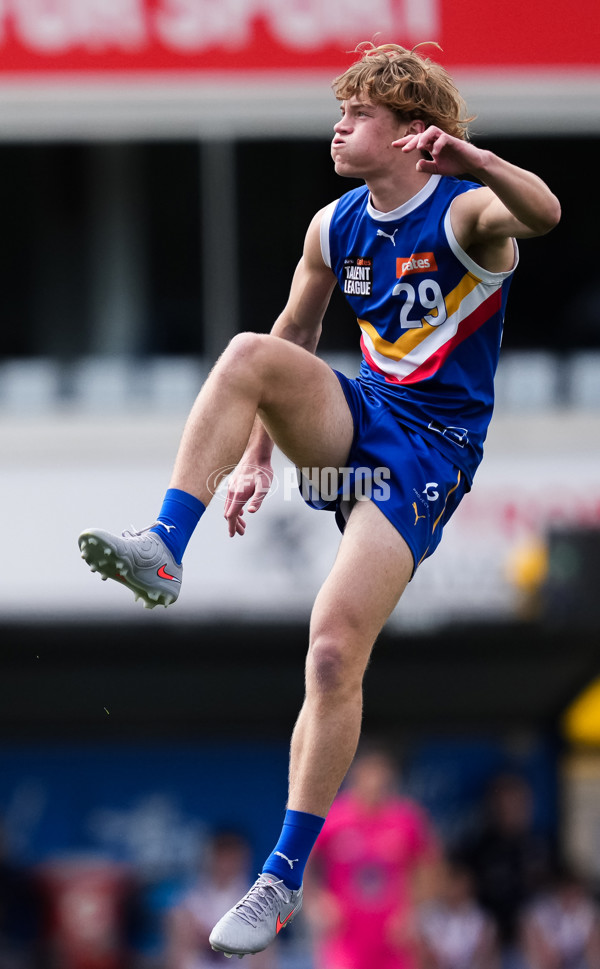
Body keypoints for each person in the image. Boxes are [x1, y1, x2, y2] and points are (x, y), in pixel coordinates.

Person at [78, 41, 561, 959]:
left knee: (335, 650)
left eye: (359, 115)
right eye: (339, 111)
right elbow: (294, 335)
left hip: (430, 455)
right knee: (247, 353)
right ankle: (164, 544)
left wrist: (471, 156)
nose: (338, 126)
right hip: (360, 413)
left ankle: (282, 875)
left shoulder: (467, 214)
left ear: (412, 133)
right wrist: (258, 456)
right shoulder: (333, 226)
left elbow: (546, 211)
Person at [304, 743, 440, 969]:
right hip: (345, 936)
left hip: (395, 938)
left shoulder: (407, 818)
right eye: (369, 774)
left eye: (381, 775)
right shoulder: (334, 817)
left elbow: (430, 868)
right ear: (356, 776)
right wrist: (316, 902)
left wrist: (415, 912)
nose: (375, 782)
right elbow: (300, 859)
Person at [456, 773, 554, 957]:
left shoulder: (541, 848)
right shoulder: (477, 850)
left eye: (516, 804)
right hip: (484, 945)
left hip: (534, 945)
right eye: (502, 805)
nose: (509, 811)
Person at [164, 831, 276, 969]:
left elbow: (263, 958)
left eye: (234, 858)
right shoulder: (188, 900)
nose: (228, 864)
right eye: (224, 857)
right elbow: (177, 952)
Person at [417, 856, 499, 969]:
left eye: (458, 882)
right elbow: (424, 959)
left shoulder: (481, 919)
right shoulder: (427, 916)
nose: (453, 888)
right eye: (449, 882)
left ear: (468, 884)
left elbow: (487, 960)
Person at [521, 868, 600, 969]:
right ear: (561, 892)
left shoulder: (586, 910)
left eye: (576, 894)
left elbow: (593, 947)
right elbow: (539, 949)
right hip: (539, 957)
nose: (573, 898)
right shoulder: (542, 909)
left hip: (573, 960)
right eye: (569, 893)